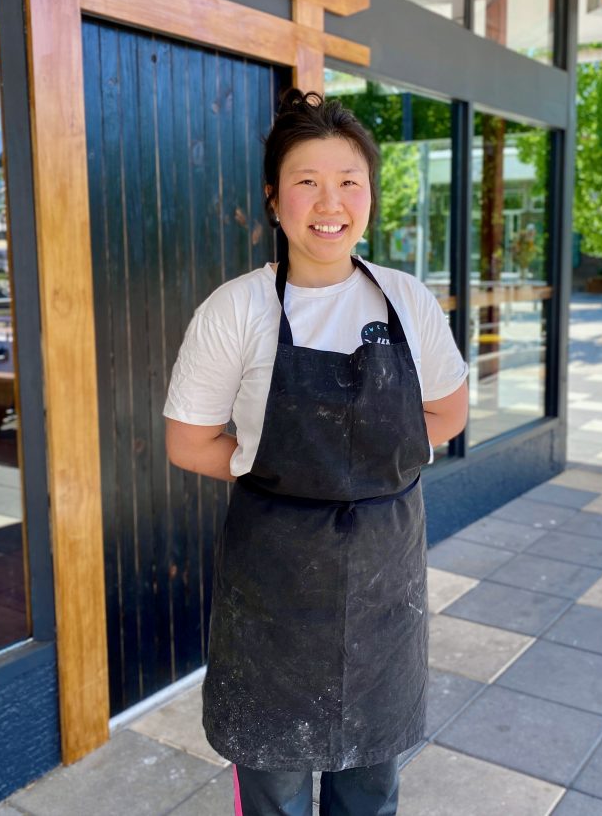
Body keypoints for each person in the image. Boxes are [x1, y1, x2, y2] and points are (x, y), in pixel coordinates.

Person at [163, 89, 469, 816]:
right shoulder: (236, 309)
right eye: (307, 182)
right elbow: (189, 441)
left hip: (383, 577)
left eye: (348, 182)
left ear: (369, 197)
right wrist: (266, 466)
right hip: (273, 581)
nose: (328, 202)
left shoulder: (404, 300)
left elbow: (448, 413)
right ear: (275, 201)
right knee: (273, 787)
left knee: (371, 784)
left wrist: (373, 466)